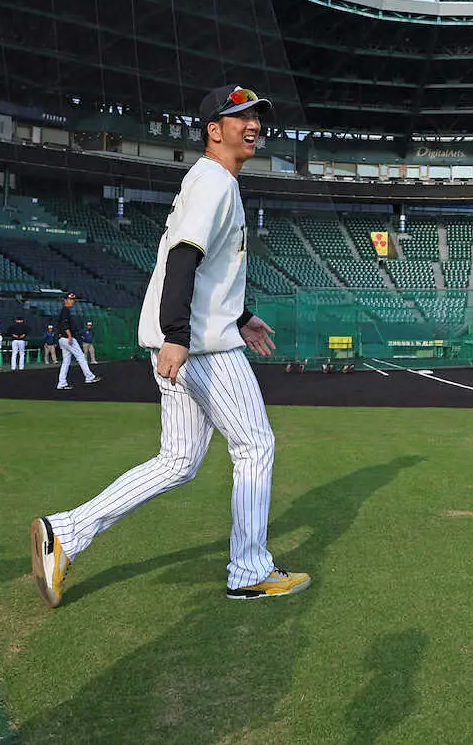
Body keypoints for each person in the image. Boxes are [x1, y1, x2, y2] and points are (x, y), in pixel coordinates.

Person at [32, 85, 308, 607]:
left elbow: (199, 270)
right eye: (241, 116)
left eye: (257, 117)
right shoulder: (214, 183)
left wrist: (241, 315)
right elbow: (182, 258)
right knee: (254, 445)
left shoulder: (211, 182)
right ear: (214, 129)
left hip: (191, 338)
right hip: (202, 348)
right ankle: (249, 570)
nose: (253, 125)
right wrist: (178, 337)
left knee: (177, 460)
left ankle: (66, 531)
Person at [55, 293, 99, 390]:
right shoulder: (65, 311)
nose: (72, 301)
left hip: (62, 339)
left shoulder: (64, 311)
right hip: (67, 338)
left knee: (66, 362)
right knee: (80, 357)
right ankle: (89, 377)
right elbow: (64, 324)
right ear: (65, 300)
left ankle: (61, 383)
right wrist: (70, 336)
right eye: (70, 299)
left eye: (73, 299)